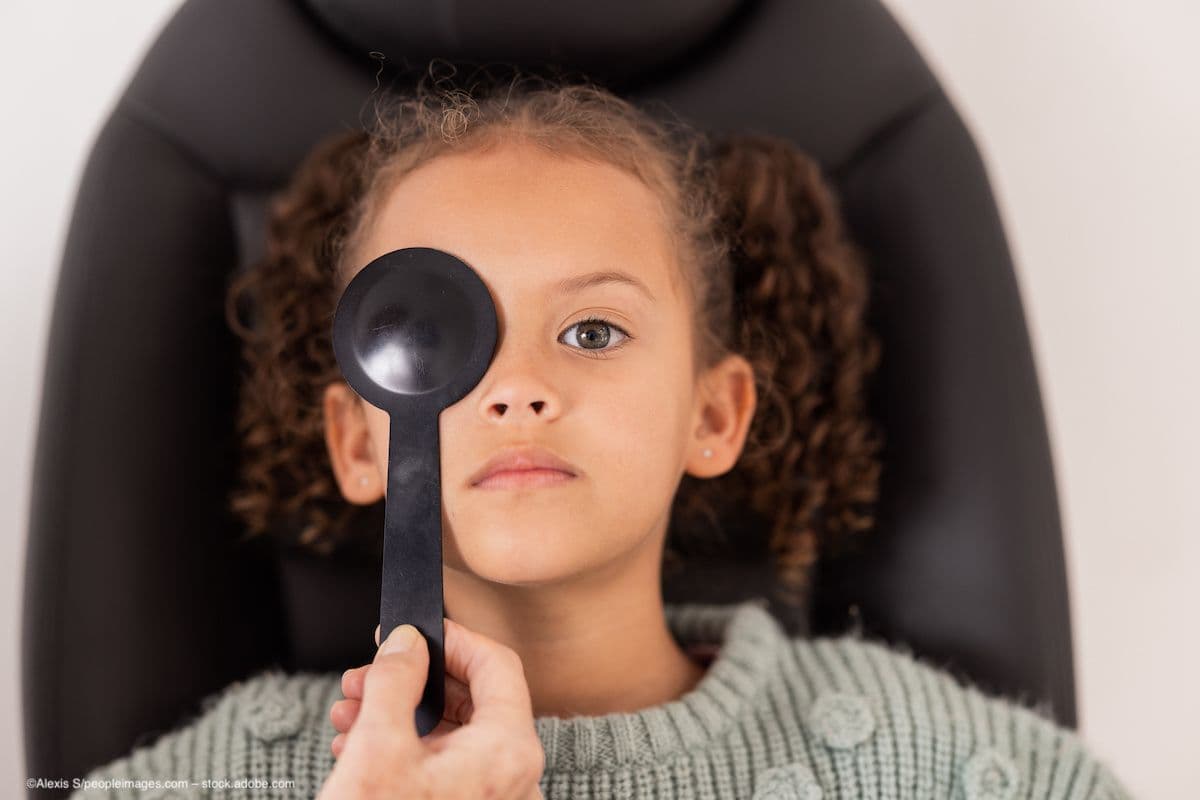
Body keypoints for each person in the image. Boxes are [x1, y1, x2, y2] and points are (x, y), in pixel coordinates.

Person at [70, 66, 1133, 799]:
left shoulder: (937, 764)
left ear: (714, 414)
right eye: (440, 334)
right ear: (358, 439)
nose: (519, 386)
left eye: (591, 328)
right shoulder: (213, 776)